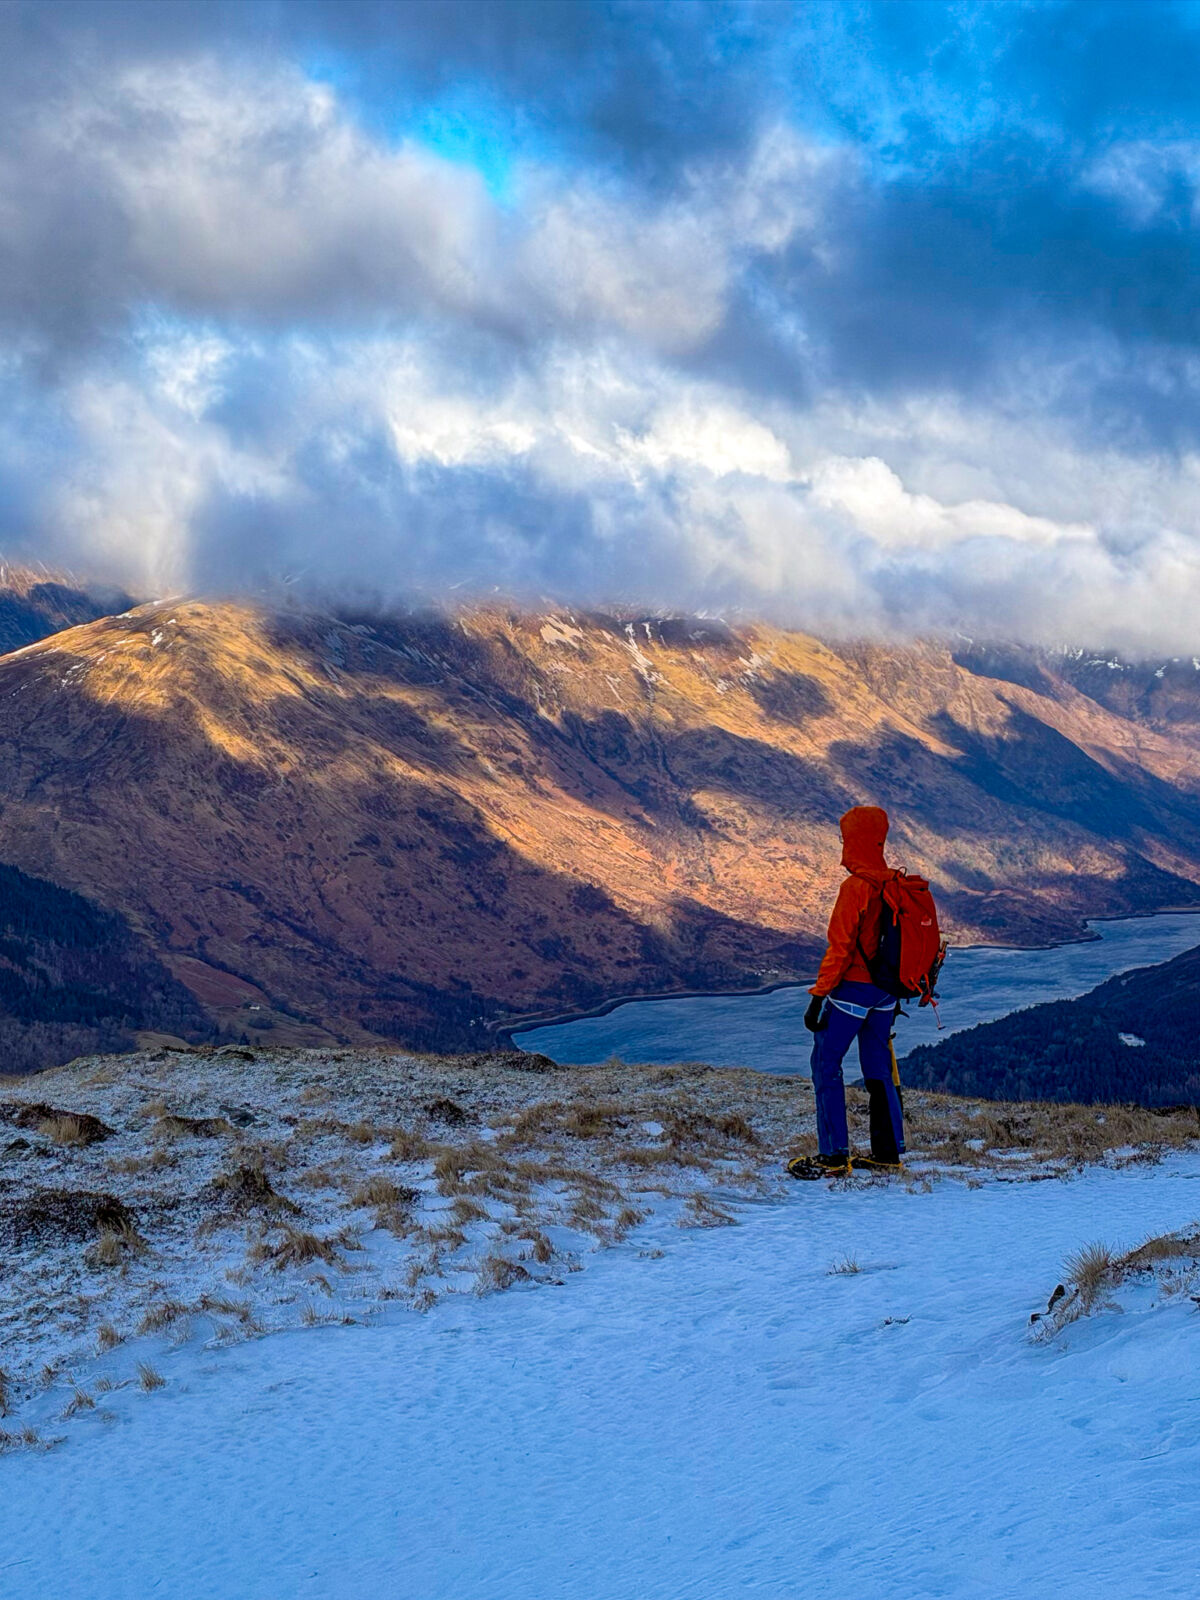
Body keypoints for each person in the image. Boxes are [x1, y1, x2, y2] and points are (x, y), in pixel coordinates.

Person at [789, 805, 906, 1180]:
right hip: (886, 995)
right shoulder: (894, 882)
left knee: (826, 1064)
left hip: (852, 992)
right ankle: (888, 1154)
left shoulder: (855, 887)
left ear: (853, 841)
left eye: (844, 838)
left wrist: (817, 996)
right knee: (877, 1070)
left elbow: (839, 948)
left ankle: (834, 1154)